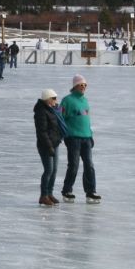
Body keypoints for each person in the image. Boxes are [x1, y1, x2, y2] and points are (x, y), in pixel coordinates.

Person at [60, 74, 99, 203]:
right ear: (75, 86)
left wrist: (90, 134)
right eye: (81, 85)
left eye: (85, 85)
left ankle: (90, 191)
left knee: (89, 165)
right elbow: (60, 118)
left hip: (86, 138)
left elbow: (86, 120)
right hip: (73, 138)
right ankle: (67, 190)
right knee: (74, 165)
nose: (83, 87)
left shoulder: (85, 101)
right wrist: (63, 134)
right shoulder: (67, 100)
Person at [34, 88, 66, 206]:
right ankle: (43, 195)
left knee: (54, 170)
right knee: (48, 170)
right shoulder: (41, 111)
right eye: (54, 98)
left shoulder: (52, 110)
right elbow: (42, 132)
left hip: (55, 143)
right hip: (45, 146)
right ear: (47, 99)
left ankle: (50, 193)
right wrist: (49, 147)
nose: (56, 100)